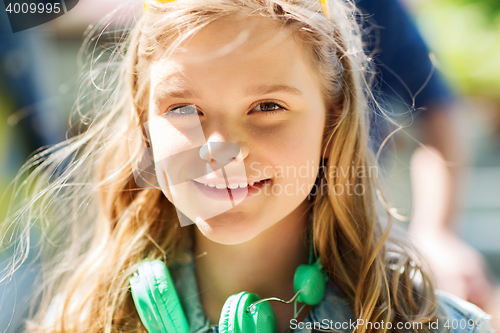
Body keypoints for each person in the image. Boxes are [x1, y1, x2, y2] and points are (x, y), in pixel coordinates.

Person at [1, 0, 494, 332]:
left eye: (267, 107)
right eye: (181, 109)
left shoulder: (429, 321)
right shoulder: (84, 318)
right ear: (143, 121)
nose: (218, 148)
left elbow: (439, 106)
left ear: (332, 122)